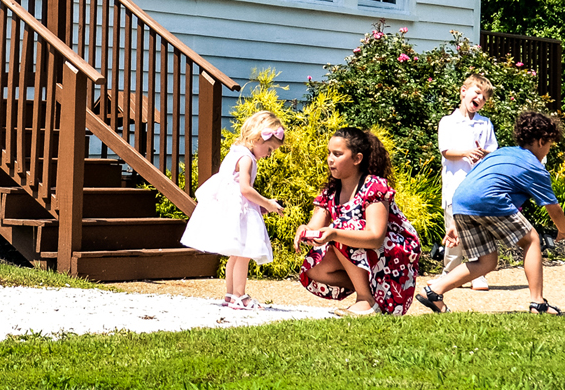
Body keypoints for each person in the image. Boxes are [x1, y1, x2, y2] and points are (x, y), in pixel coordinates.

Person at [417, 109, 565, 315]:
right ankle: (538, 303)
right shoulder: (534, 167)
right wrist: (563, 231)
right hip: (488, 200)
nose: (548, 149)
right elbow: (554, 208)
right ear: (540, 141)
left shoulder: (502, 153)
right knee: (532, 240)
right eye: (549, 144)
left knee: (486, 261)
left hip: (461, 200)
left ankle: (433, 291)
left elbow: (475, 180)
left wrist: (456, 223)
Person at [293, 126, 422, 315]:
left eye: (337, 154)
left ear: (357, 159)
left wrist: (335, 233)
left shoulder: (374, 186)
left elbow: (376, 237)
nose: (330, 159)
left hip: (396, 259)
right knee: (314, 267)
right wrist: (304, 231)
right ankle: (371, 292)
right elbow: (315, 227)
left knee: (341, 228)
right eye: (329, 153)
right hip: (373, 263)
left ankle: (367, 301)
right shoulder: (330, 193)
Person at [181, 111, 288, 309]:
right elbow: (245, 189)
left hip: (232, 208)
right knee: (244, 253)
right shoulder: (247, 159)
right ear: (257, 137)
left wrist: (260, 205)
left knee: (236, 254)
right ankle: (240, 295)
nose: (269, 154)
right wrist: (267, 203)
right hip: (240, 212)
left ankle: (230, 294)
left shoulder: (235, 152)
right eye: (269, 148)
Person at [438, 73, 499, 290]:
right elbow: (446, 151)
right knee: (453, 230)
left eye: (484, 97)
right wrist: (467, 152)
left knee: (478, 231)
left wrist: (483, 154)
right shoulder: (448, 121)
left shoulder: (485, 123)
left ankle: (477, 274)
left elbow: (492, 149)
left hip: (477, 188)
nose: (480, 99)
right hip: (455, 187)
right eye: (477, 93)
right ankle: (450, 274)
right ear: (464, 91)